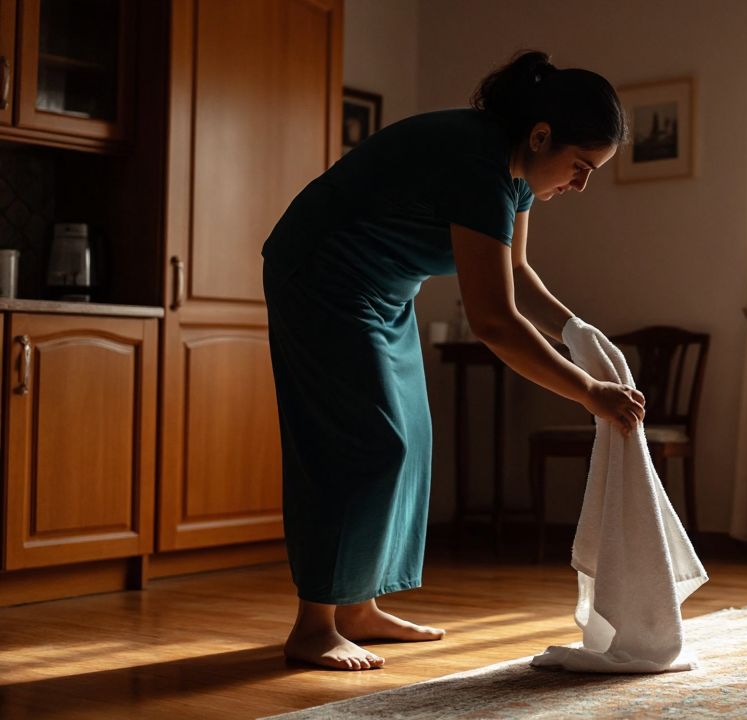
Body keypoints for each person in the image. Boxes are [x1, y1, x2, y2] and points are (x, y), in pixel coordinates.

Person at [262, 50, 646, 671]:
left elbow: (516, 275)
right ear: (542, 135)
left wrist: (577, 330)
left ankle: (357, 608)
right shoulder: (480, 167)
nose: (580, 185)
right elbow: (495, 321)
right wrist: (587, 392)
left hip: (385, 289)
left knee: (410, 437)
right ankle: (313, 625)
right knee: (364, 442)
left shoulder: (517, 170)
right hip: (321, 278)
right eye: (580, 167)